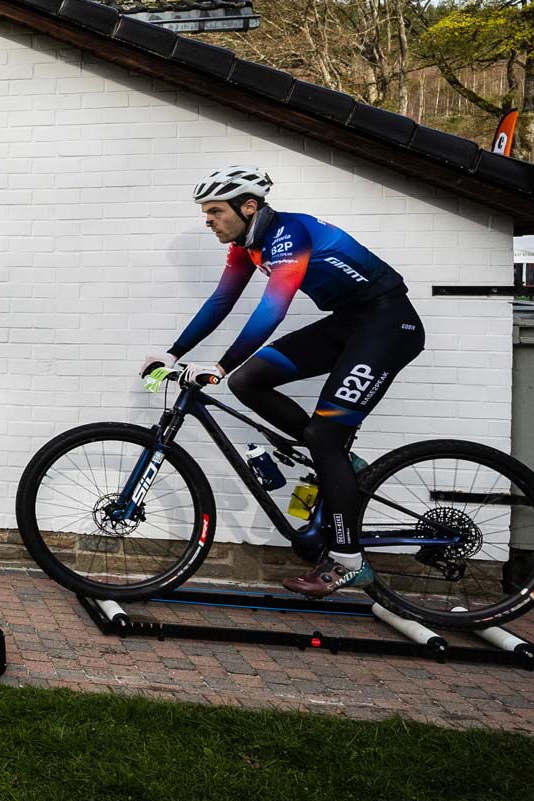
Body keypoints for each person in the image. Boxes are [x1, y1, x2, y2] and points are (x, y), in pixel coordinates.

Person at [142, 165, 425, 598]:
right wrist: (173, 353)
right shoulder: (247, 246)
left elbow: (273, 308)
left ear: (247, 206)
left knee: (323, 435)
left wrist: (220, 364)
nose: (208, 221)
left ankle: (349, 561)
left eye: (215, 211)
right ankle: (341, 464)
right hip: (350, 322)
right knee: (248, 380)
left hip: (389, 325)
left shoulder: (290, 235)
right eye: (206, 213)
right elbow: (222, 299)